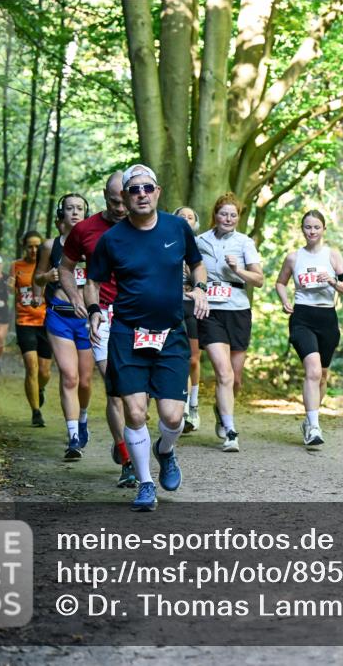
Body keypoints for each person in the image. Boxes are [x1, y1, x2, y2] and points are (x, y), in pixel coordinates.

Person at [87, 164, 209, 512]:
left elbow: (196, 264)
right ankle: (144, 483)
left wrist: (199, 289)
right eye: (134, 189)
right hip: (127, 334)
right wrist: (95, 310)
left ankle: (165, 451)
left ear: (157, 192)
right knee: (136, 413)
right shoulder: (112, 240)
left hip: (170, 335)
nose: (141, 194)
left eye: (147, 188)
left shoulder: (177, 227)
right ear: (125, 197)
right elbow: (92, 281)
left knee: (174, 418)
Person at [61, 173, 136, 489]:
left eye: (125, 201)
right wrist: (77, 297)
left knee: (138, 397)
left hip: (138, 316)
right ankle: (127, 458)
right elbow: (65, 267)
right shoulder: (85, 230)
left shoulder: (146, 225)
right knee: (117, 388)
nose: (120, 208)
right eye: (114, 201)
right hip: (102, 317)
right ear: (105, 196)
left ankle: (134, 442)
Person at [275, 210, 343, 446]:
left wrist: (333, 282)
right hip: (302, 316)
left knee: (323, 375)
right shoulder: (293, 258)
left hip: (327, 318)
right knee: (313, 370)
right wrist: (285, 300)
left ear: (323, 229)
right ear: (302, 229)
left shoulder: (333, 256)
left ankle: (310, 420)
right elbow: (280, 282)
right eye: (308, 227)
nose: (312, 231)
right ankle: (314, 427)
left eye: (316, 227)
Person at [196, 193, 264, 453]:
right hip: (210, 310)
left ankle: (220, 409)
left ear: (238, 218)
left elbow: (258, 280)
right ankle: (231, 431)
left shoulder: (244, 242)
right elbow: (188, 268)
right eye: (223, 214)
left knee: (235, 379)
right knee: (223, 373)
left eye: (233, 215)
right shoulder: (199, 240)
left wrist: (238, 270)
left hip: (237, 309)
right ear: (215, 215)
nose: (228, 218)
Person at [35, 195, 93, 460]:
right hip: (59, 316)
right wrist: (46, 278)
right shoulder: (49, 246)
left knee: (85, 380)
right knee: (69, 376)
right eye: (69, 208)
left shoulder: (96, 245)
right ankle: (72, 438)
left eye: (79, 208)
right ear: (61, 214)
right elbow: (37, 278)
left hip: (88, 319)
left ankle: (82, 419)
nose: (75, 212)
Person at [11, 231, 52, 428]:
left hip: (45, 322)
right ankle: (36, 412)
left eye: (37, 246)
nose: (34, 250)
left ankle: (39, 389)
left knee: (44, 372)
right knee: (31, 367)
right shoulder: (16, 266)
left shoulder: (48, 265)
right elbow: (8, 291)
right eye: (30, 246)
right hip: (24, 321)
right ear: (24, 246)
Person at [174, 206, 202, 432]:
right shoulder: (165, 242)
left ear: (195, 223)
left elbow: (203, 275)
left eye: (189, 217)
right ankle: (181, 404)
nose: (185, 220)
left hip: (193, 304)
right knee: (179, 356)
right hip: (171, 304)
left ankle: (194, 404)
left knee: (193, 359)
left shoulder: (200, 246)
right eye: (181, 216)